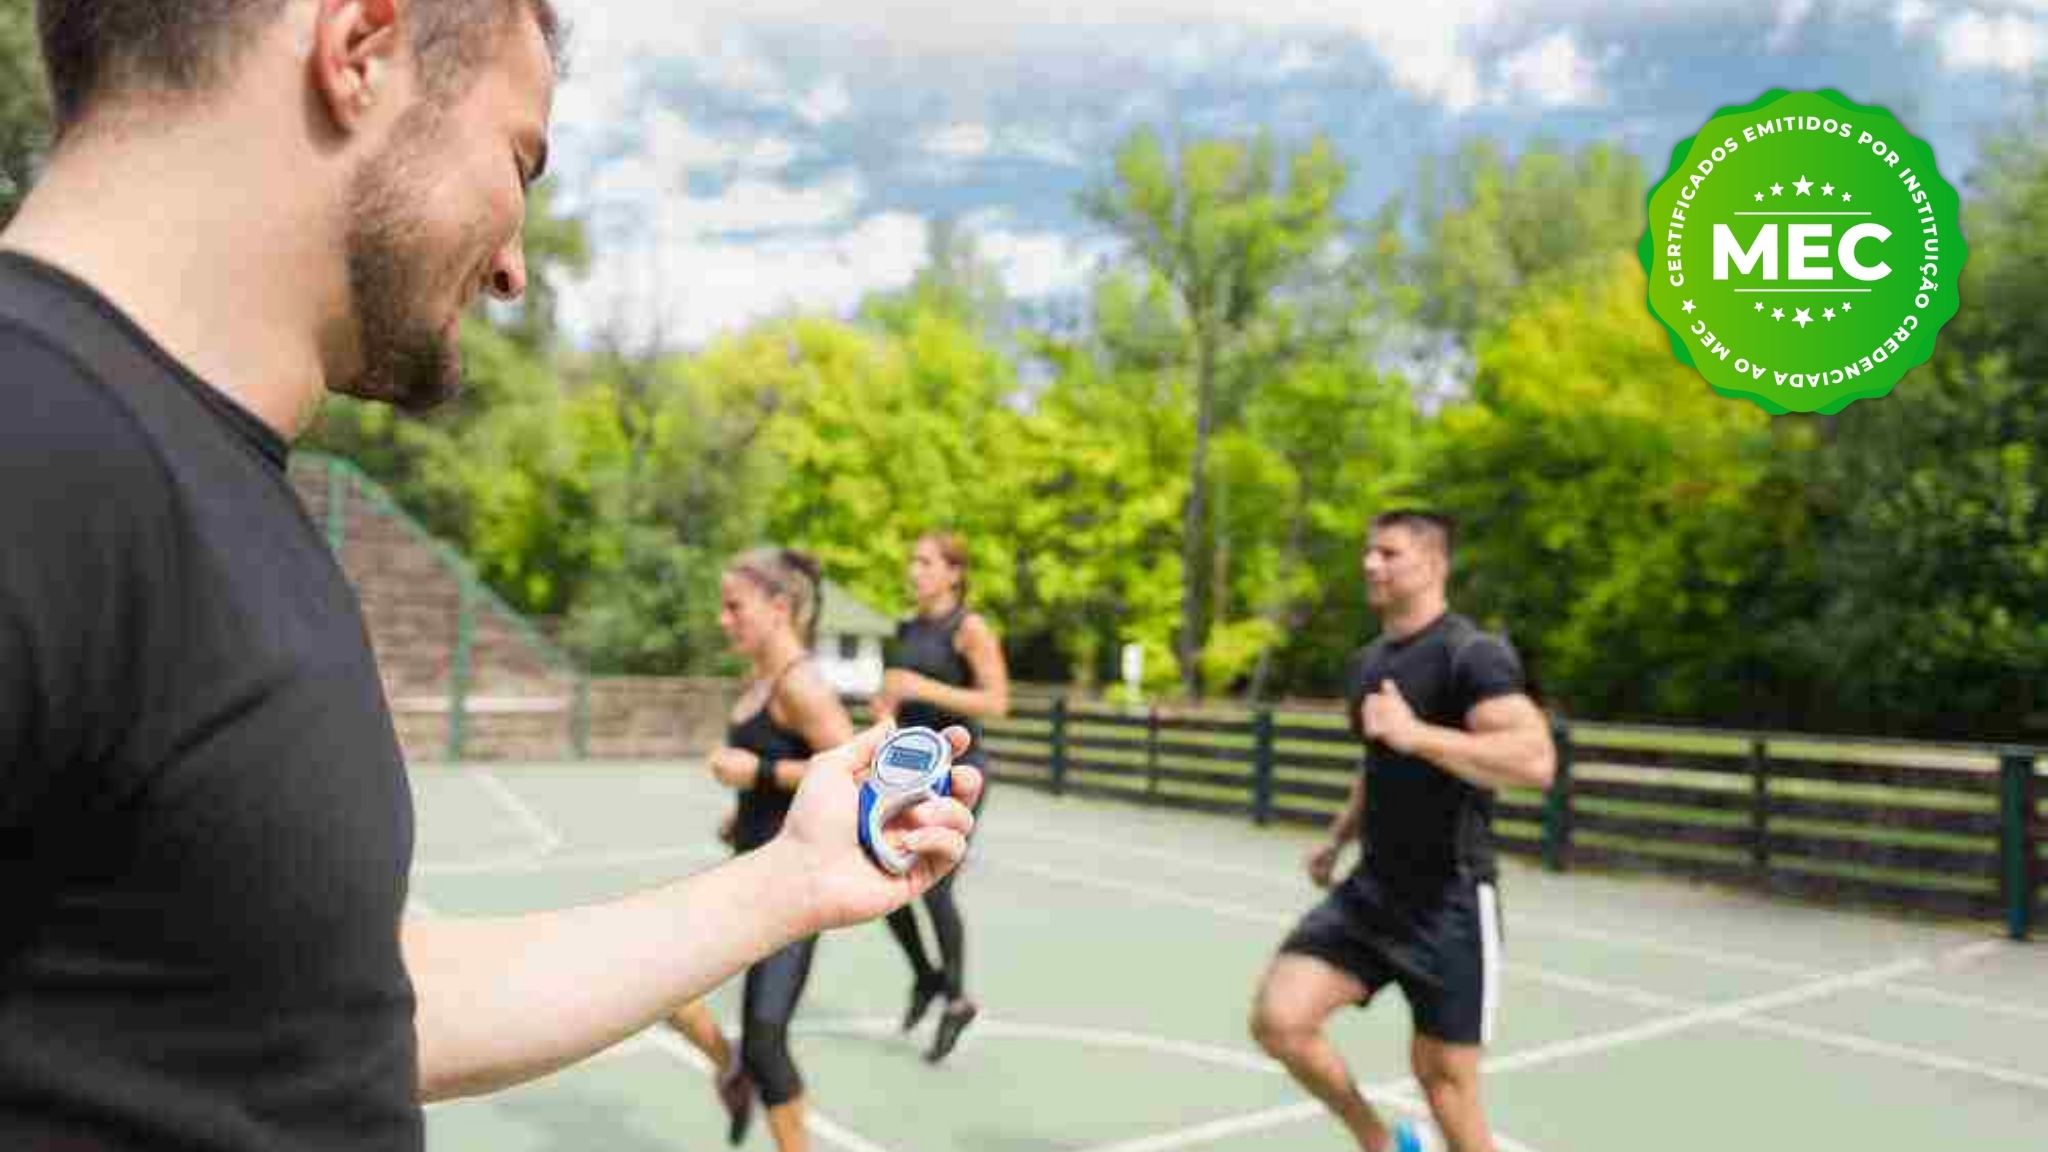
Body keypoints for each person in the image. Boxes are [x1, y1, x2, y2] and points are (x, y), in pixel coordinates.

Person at [0, 4, 980, 1149]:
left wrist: (791, 880)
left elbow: (324, 1012)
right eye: (518, 157)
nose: (514, 266)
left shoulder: (187, 476)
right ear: (359, 44)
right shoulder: (38, 441)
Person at [1248, 511, 1556, 1152]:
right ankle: (1381, 1141)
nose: (1370, 564)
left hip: (1449, 902)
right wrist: (1339, 836)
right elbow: (1378, 762)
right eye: (1368, 552)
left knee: (1445, 1083)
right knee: (1280, 1020)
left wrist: (1416, 733)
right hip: (1373, 891)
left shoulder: (1470, 654)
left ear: (1434, 563)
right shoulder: (1368, 664)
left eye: (1388, 553)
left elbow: (1534, 760)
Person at [689, 546, 852, 1151]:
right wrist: (743, 812)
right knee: (667, 987)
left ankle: (750, 1075)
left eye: (735, 607)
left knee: (766, 1039)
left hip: (792, 883)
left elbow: (851, 770)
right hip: (750, 869)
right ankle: (732, 1070)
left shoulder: (800, 684)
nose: (723, 619)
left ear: (779, 607)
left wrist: (755, 772)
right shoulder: (758, 677)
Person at [871, 531, 1010, 1063]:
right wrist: (883, 714)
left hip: (959, 768)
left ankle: (956, 999)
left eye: (926, 562)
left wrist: (920, 689)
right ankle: (927, 977)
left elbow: (997, 701)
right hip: (909, 768)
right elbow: (896, 701)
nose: (914, 570)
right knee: (883, 875)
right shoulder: (907, 627)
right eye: (912, 561)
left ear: (954, 572)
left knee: (934, 889)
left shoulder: (969, 628)